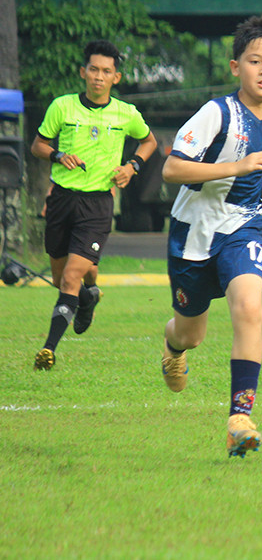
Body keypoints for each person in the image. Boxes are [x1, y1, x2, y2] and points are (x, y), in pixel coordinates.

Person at [158, 15, 262, 457]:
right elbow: (172, 169)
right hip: (192, 232)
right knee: (191, 334)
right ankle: (172, 346)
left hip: (244, 226)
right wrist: (238, 166)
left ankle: (240, 417)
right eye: (254, 60)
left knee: (249, 305)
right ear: (235, 67)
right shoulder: (216, 112)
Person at [29, 40, 156, 371]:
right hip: (61, 200)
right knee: (61, 280)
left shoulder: (126, 113)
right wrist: (57, 154)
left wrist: (132, 167)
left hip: (98, 204)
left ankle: (48, 349)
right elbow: (38, 145)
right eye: (94, 70)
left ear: (117, 77)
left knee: (71, 276)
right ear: (83, 72)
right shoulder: (62, 107)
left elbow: (149, 141)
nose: (99, 76)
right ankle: (88, 299)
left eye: (107, 71)